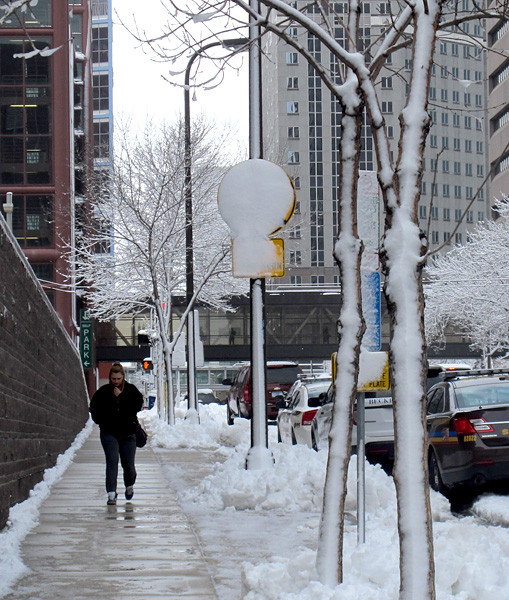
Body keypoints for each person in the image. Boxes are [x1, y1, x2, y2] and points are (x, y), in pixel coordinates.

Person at [90, 362, 144, 505]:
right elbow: (94, 409)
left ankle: (129, 485)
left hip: (128, 433)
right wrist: (101, 422)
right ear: (110, 378)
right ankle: (111, 493)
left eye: (118, 379)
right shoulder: (103, 392)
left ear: (123, 377)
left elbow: (136, 407)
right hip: (109, 433)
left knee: (128, 465)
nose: (116, 382)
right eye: (113, 379)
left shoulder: (131, 391)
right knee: (112, 460)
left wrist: (122, 397)